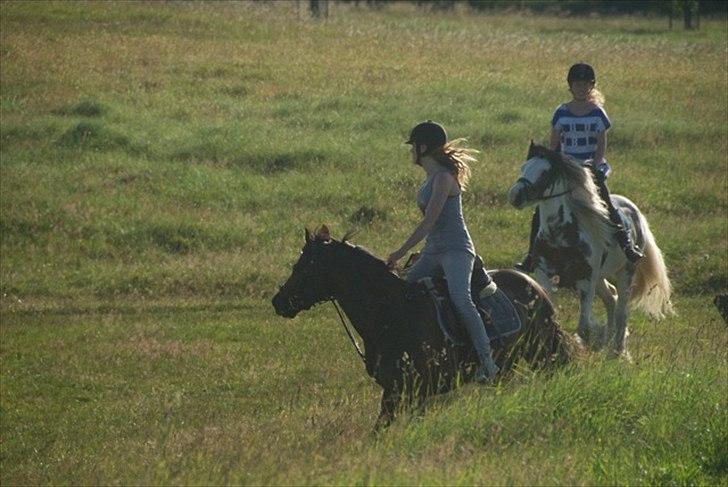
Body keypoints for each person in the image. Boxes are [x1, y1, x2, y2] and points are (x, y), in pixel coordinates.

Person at [386, 121, 499, 383]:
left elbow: (429, 223)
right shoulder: (428, 180)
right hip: (434, 251)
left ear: (423, 147)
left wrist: (400, 252)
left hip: (457, 250)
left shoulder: (444, 179)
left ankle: (488, 362)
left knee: (461, 300)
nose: (411, 151)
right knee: (404, 290)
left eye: (413, 146)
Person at [516, 62, 643, 272]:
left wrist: (596, 163)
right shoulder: (561, 112)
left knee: (606, 202)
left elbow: (601, 141)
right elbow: (555, 143)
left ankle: (625, 243)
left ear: (592, 86)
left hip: (590, 168)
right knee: (541, 209)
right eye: (577, 84)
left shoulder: (597, 113)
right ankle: (532, 254)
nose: (581, 88)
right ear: (570, 86)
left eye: (586, 84)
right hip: (567, 168)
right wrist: (554, 164)